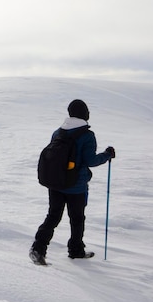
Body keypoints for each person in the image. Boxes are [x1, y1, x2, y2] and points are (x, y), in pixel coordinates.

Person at [30, 99, 115, 265]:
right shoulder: (87, 135)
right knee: (77, 219)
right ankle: (76, 251)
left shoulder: (58, 132)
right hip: (76, 187)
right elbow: (91, 161)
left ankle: (38, 248)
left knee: (53, 216)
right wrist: (107, 154)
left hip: (56, 183)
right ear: (84, 114)